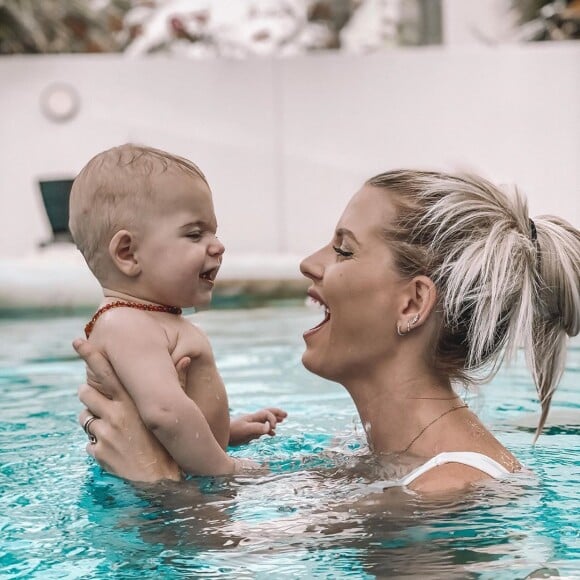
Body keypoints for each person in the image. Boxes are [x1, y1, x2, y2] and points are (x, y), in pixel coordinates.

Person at [76, 169, 580, 493]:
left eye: (343, 249)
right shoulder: (361, 452)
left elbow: (233, 559)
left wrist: (156, 482)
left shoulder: (446, 489)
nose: (308, 264)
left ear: (413, 303)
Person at [70, 144, 286, 478]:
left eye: (214, 231)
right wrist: (226, 467)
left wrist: (224, 433)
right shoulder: (125, 322)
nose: (217, 245)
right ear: (127, 253)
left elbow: (168, 421)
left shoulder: (151, 318)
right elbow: (164, 415)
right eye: (195, 234)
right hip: (146, 507)